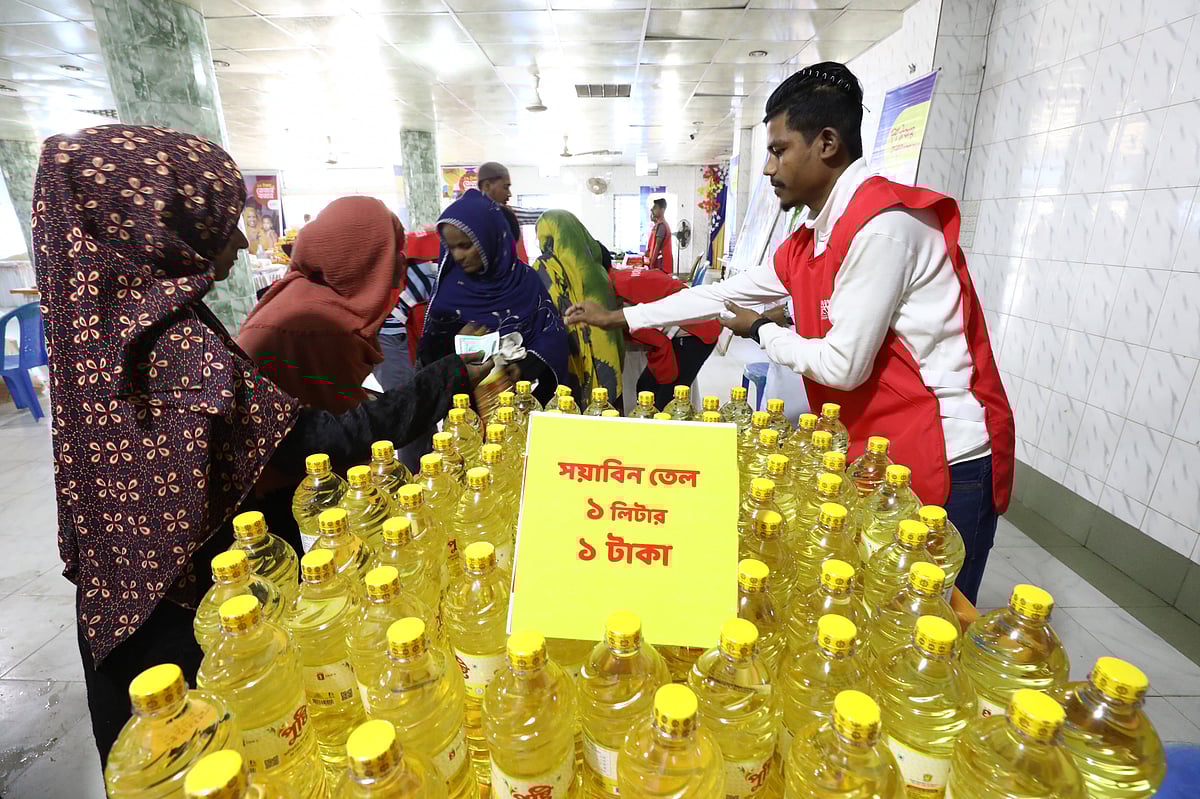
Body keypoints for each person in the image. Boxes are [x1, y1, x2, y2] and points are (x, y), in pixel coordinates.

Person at [33, 125, 491, 763]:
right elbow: (315, 443)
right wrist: (454, 375)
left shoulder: (103, 332)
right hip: (188, 614)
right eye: (220, 222)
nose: (245, 241)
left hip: (130, 595)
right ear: (159, 226)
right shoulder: (173, 347)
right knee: (220, 756)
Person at [566, 62, 1015, 605]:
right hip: (883, 446)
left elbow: (842, 366)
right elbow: (722, 293)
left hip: (944, 454)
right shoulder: (813, 239)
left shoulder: (884, 228)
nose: (768, 168)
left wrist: (762, 331)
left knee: (927, 626)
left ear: (826, 144)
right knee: (879, 613)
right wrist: (623, 317)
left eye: (779, 150)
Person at [238, 195, 404, 413]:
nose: (401, 262)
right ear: (361, 257)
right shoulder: (324, 324)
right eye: (389, 251)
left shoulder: (303, 293)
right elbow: (344, 428)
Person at [421, 188, 568, 404]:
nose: (458, 256)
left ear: (491, 239)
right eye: (451, 247)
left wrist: (524, 366)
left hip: (523, 396)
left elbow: (551, 333)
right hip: (466, 405)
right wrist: (463, 346)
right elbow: (432, 353)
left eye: (465, 245)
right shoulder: (450, 288)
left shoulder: (525, 280)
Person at [531, 209, 624, 404]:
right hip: (609, 358)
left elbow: (548, 312)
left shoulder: (546, 266)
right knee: (606, 408)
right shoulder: (597, 268)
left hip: (574, 360)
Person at [610, 268, 719, 410]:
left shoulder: (623, 298)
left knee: (668, 400)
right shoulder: (620, 278)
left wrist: (666, 379)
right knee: (646, 388)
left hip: (699, 331)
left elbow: (660, 344)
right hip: (689, 323)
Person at [477, 160, 528, 262]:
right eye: (505, 187)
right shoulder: (467, 220)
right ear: (487, 186)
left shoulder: (507, 214)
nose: (509, 194)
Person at [645, 197, 673, 274]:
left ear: (662, 210)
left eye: (655, 207)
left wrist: (651, 265)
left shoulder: (661, 226)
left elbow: (657, 248)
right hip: (660, 264)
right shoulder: (659, 224)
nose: (651, 210)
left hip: (661, 266)